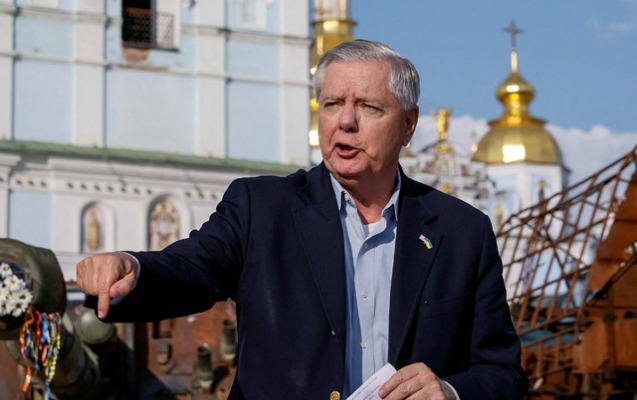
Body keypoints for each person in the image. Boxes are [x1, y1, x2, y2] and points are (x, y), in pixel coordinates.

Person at [76, 39, 528, 400]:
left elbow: (502, 372)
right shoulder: (261, 208)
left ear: (408, 125)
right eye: (331, 104)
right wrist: (134, 268)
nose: (345, 122)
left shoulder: (462, 232)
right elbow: (193, 266)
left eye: (368, 107)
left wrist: (450, 391)